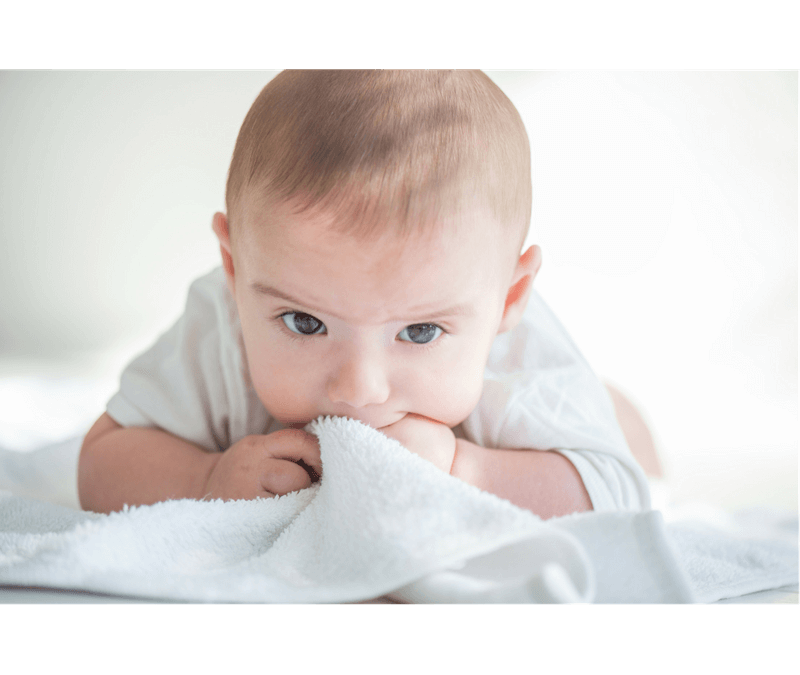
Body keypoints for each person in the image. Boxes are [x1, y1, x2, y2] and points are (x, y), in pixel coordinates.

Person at [78, 69, 653, 519]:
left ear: (508, 300)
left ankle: (617, 405)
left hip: (561, 419)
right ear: (235, 269)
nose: (358, 388)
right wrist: (201, 479)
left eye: (419, 331)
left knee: (622, 430)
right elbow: (103, 459)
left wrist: (463, 469)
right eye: (305, 322)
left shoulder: (521, 364)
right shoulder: (221, 324)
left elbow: (619, 493)